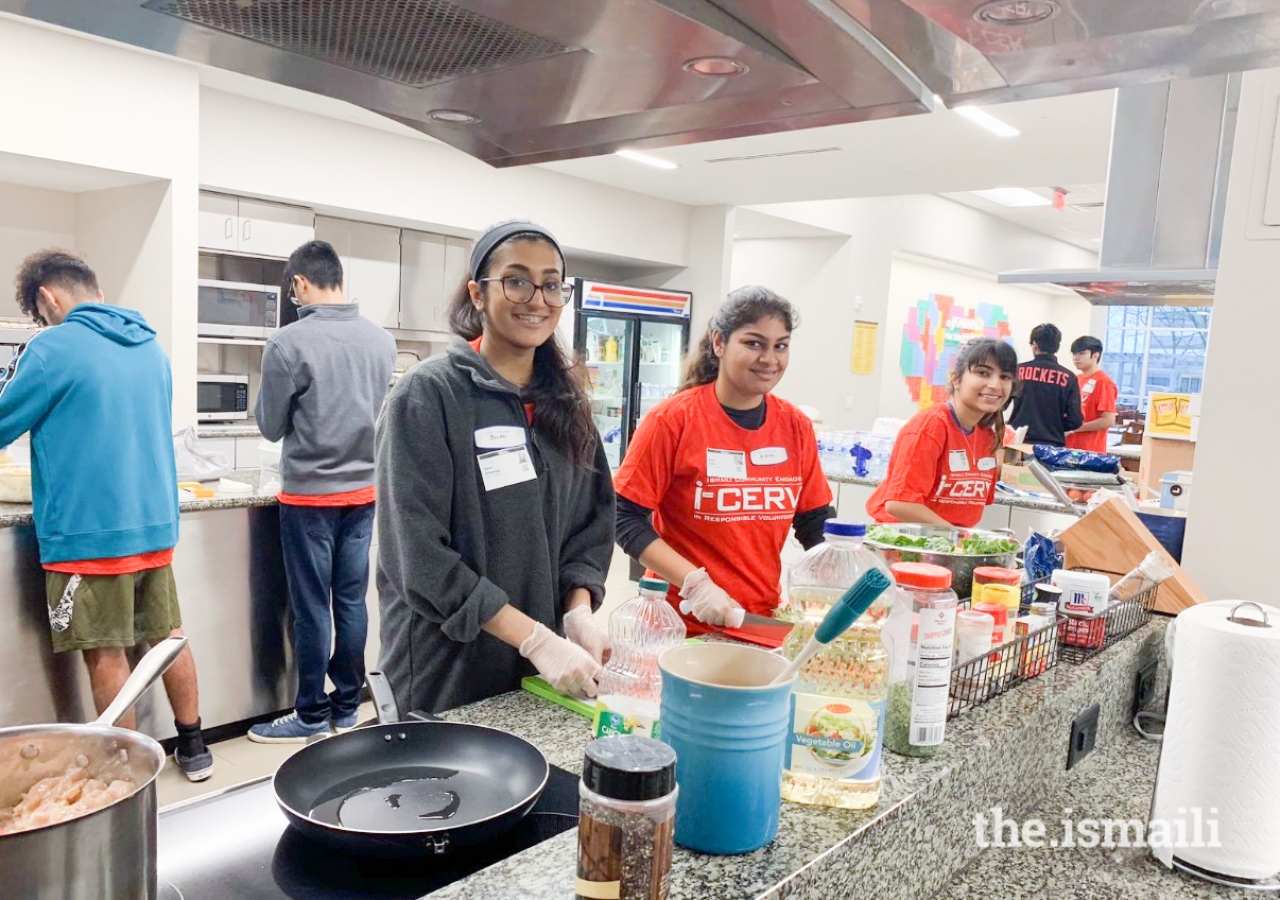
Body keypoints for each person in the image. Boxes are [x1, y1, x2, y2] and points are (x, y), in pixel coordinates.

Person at [376, 220, 615, 714]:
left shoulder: (567, 402)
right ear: (478, 295)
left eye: (552, 284)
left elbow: (590, 525)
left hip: (541, 677)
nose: (537, 298)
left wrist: (577, 612)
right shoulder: (428, 396)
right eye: (517, 280)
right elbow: (419, 559)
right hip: (448, 676)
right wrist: (536, 640)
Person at [0, 249, 213, 780]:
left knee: (106, 653)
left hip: (88, 531)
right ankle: (195, 748)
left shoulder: (52, 347)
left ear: (48, 298)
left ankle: (124, 773)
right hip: (153, 524)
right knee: (167, 637)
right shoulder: (150, 347)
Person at [613, 286, 835, 630]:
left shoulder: (795, 426)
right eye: (753, 343)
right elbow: (623, 517)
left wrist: (834, 573)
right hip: (677, 621)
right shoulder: (673, 421)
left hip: (758, 619)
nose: (770, 359)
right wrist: (695, 583)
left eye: (781, 346)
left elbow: (814, 519)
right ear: (719, 343)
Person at [248, 241, 396, 743]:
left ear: (299, 284)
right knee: (351, 601)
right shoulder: (381, 341)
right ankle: (348, 707)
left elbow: (269, 426)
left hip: (309, 497)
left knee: (312, 607)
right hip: (363, 492)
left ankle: (310, 715)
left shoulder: (288, 343)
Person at [867, 338, 1018, 528]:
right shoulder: (930, 427)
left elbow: (970, 503)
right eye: (983, 373)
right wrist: (958, 538)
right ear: (956, 379)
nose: (995, 385)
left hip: (949, 546)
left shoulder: (987, 435)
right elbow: (900, 504)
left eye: (1005, 377)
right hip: (905, 541)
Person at [1008, 323, 1082, 446]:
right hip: (1052, 445)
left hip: (1019, 441)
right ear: (1057, 347)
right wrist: (1055, 426)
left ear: (1035, 345)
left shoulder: (1018, 371)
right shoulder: (1069, 377)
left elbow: (1000, 404)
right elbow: (1075, 421)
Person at [1065, 335, 1118, 454]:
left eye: (1081, 353)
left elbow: (1108, 420)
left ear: (1095, 355)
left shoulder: (1104, 382)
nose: (1076, 358)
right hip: (1069, 447)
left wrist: (1075, 428)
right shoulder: (1075, 379)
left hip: (1090, 451)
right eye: (1074, 354)